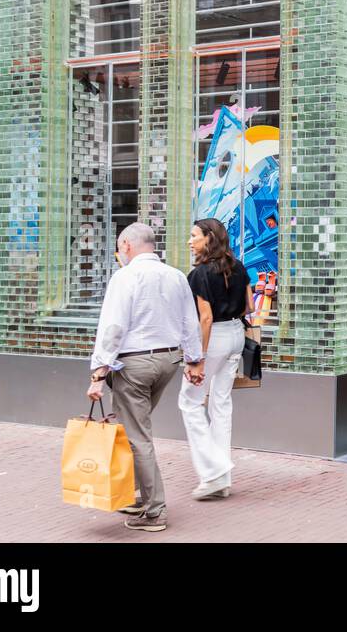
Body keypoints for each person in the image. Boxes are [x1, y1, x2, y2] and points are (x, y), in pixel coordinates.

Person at [87, 223, 204, 533]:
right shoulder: (176, 276)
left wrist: (99, 371)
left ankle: (154, 510)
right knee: (133, 429)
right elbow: (189, 322)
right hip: (167, 360)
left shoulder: (125, 277)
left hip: (134, 364)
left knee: (136, 436)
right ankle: (137, 495)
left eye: (119, 247)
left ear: (127, 245)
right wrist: (193, 360)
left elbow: (113, 328)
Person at [179, 218, 251, 500]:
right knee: (220, 404)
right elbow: (250, 306)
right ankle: (223, 480)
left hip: (215, 338)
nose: (189, 241)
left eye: (194, 235)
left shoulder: (199, 275)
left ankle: (213, 471)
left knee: (189, 402)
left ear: (209, 238)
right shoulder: (239, 266)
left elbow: (205, 318)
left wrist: (198, 358)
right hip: (236, 334)